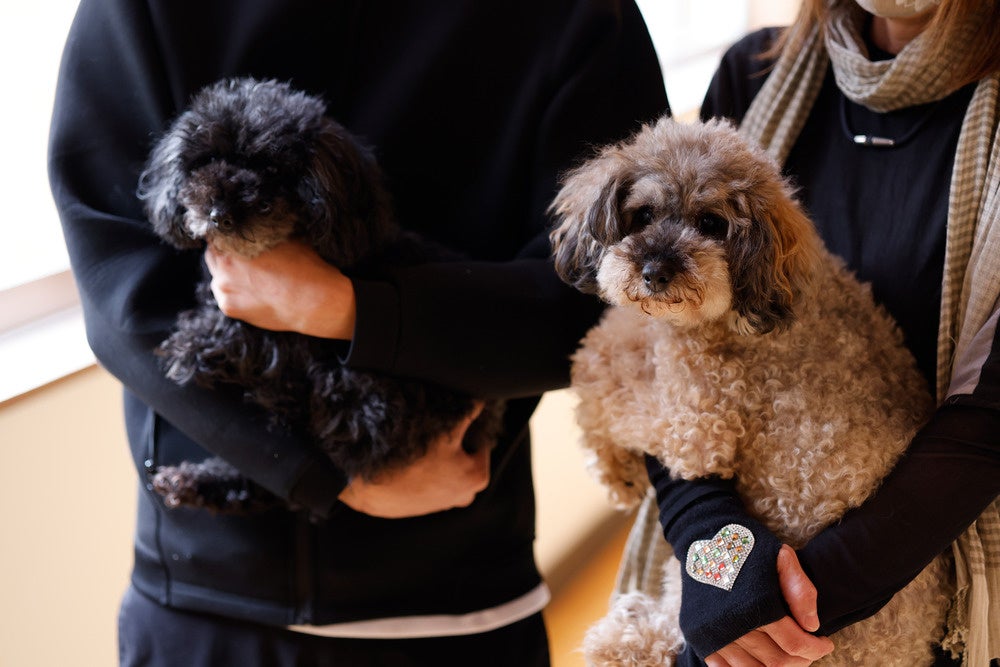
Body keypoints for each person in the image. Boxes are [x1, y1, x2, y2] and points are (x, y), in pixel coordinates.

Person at [47, 2, 668, 665]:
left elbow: (612, 298)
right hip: (211, 594)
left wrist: (351, 308)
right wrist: (321, 476)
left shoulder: (579, 17)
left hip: (459, 587)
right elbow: (119, 279)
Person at [621, 0, 1000, 665]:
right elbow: (663, 332)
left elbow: (990, 420)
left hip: (909, 579)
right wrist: (714, 552)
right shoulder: (757, 74)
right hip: (731, 545)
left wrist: (798, 606)